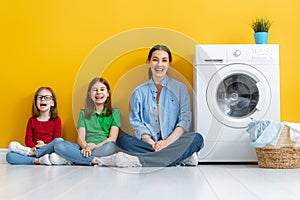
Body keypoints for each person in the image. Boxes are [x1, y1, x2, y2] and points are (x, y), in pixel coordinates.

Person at [113, 44, 204, 167]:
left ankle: (140, 161)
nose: (159, 64)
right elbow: (137, 123)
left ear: (169, 64)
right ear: (149, 62)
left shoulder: (180, 89)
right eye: (155, 59)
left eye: (164, 60)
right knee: (123, 140)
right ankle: (179, 158)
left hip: (173, 142)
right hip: (148, 144)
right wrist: (152, 144)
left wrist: (166, 143)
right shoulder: (138, 92)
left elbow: (185, 120)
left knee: (197, 138)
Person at [53, 77, 140, 167]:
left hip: (103, 147)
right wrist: (86, 147)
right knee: (59, 145)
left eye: (102, 89)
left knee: (111, 146)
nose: (98, 92)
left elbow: (112, 138)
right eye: (95, 90)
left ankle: (76, 158)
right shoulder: (83, 113)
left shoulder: (115, 113)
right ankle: (94, 160)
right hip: (85, 147)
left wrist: (94, 146)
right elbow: (80, 138)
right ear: (90, 95)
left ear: (108, 94)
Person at [6, 87, 69, 165]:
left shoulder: (56, 120)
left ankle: (37, 155)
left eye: (47, 97)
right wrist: (35, 148)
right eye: (40, 97)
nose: (43, 100)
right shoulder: (32, 120)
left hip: (49, 150)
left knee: (59, 141)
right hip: (33, 150)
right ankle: (38, 160)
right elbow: (28, 140)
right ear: (36, 102)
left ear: (52, 103)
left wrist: (45, 146)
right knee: (9, 156)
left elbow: (56, 139)